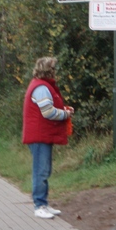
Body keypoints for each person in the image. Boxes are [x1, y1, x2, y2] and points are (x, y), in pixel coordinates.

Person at [22, 57, 74, 219]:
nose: (55, 71)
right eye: (53, 68)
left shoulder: (41, 86)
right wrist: (66, 114)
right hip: (39, 136)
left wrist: (63, 109)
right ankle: (39, 205)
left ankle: (43, 203)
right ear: (47, 70)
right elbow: (48, 112)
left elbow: (48, 107)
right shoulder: (41, 88)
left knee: (45, 170)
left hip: (42, 135)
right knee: (41, 171)